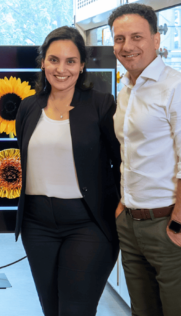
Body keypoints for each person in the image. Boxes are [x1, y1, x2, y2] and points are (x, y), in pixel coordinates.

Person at [15, 26, 121, 316]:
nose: (61, 69)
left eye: (70, 61)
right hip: (37, 226)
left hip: (88, 224)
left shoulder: (101, 104)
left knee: (75, 311)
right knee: (51, 309)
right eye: (53, 60)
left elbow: (121, 161)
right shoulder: (27, 108)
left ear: (82, 65)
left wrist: (123, 203)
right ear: (43, 62)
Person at [109, 3, 181, 315]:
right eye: (119, 38)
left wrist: (178, 221)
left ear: (156, 39)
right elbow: (129, 153)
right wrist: (123, 206)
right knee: (142, 311)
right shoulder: (125, 90)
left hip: (167, 224)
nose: (127, 46)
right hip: (130, 224)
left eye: (136, 37)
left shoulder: (174, 87)